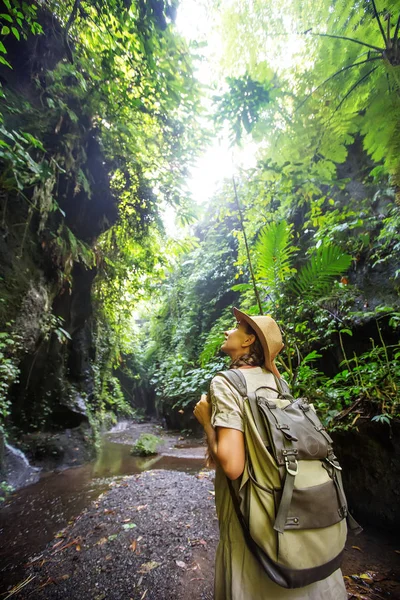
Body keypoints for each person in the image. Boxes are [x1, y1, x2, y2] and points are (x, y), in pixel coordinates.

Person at [194, 307, 347, 600]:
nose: (227, 331)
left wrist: (206, 423)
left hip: (252, 501)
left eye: (235, 327)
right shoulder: (280, 383)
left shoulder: (226, 382)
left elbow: (233, 465)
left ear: (249, 341)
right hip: (289, 497)